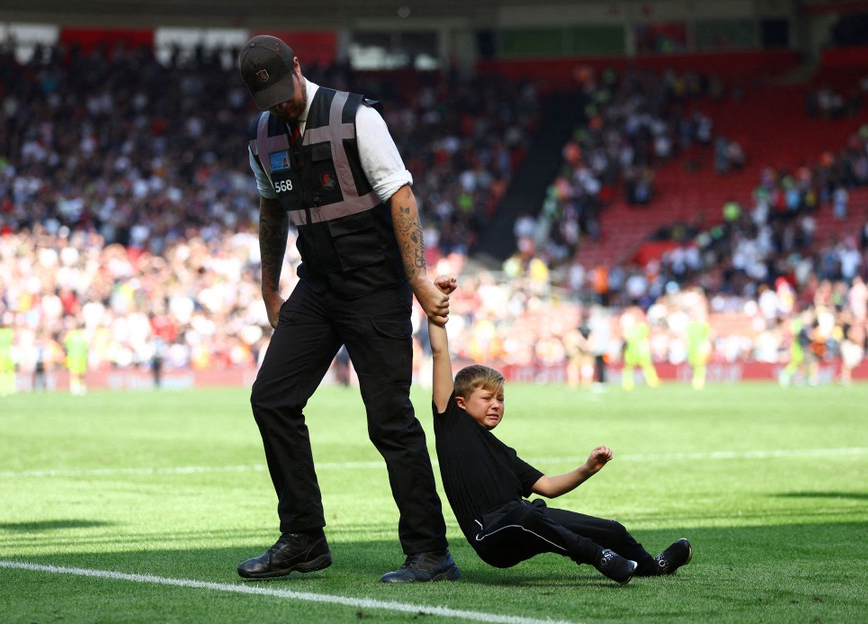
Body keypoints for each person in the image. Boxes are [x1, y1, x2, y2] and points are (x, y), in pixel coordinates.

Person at [235, 35, 459, 584]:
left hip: (376, 286)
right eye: (270, 101)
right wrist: (270, 290)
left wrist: (419, 279)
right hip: (317, 286)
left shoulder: (356, 117)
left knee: (389, 419)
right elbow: (272, 212)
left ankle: (430, 552)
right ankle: (305, 539)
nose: (281, 107)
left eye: (286, 93)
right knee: (271, 399)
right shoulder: (263, 137)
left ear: (297, 68)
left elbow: (400, 195)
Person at [428, 275, 692, 585]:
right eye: (486, 398)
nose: (496, 404)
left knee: (611, 529)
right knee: (526, 515)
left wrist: (587, 468)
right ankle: (600, 557)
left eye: (501, 399)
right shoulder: (451, 424)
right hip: (491, 536)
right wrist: (438, 309)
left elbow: (549, 487)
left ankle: (652, 566)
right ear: (459, 402)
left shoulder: (503, 453)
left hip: (528, 519)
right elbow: (440, 354)